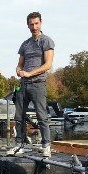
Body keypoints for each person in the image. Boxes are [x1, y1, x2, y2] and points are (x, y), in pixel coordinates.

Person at [8, 11, 54, 157]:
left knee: (42, 116)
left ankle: (46, 145)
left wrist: (29, 73)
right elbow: (19, 64)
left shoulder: (46, 41)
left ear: (41, 23)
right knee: (19, 116)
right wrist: (19, 71)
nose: (34, 27)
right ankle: (19, 145)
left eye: (36, 23)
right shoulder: (25, 44)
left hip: (38, 84)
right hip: (23, 85)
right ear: (27, 25)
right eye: (31, 24)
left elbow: (48, 65)